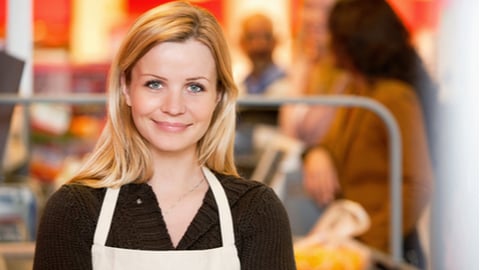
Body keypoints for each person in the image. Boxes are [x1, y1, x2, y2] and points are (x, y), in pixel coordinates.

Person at [33, 2, 296, 270]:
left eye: (195, 87)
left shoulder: (256, 211)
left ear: (218, 95)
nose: (173, 107)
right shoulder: (74, 211)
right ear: (126, 88)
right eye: (155, 84)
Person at [301, 0, 436, 268]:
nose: (327, 41)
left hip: (383, 252)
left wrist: (368, 244)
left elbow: (417, 186)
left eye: (333, 33)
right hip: (356, 243)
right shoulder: (357, 90)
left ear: (353, 40)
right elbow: (333, 143)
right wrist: (317, 152)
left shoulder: (395, 97)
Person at [238, 13, 287, 96]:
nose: (259, 45)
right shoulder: (240, 85)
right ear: (242, 43)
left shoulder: (288, 84)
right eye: (251, 37)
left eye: (266, 37)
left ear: (275, 41)